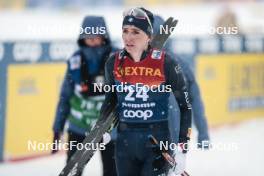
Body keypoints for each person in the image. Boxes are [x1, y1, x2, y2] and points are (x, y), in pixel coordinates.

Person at [99, 7, 192, 176]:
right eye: (125, 31)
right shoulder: (113, 62)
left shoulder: (166, 62)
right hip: (125, 143)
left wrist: (181, 148)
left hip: (157, 141)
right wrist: (102, 129)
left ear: (148, 36)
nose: (128, 37)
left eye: (135, 32)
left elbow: (185, 106)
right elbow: (110, 101)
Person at [52, 16, 117, 176]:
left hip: (109, 130)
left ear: (104, 37)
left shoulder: (118, 58)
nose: (93, 41)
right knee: (73, 171)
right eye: (89, 38)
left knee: (113, 172)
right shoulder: (75, 60)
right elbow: (64, 97)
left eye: (97, 37)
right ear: (82, 38)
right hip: (78, 128)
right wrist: (57, 128)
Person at [153, 15, 210, 148]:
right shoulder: (129, 63)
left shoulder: (179, 64)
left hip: (173, 134)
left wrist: (203, 133)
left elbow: (194, 99)